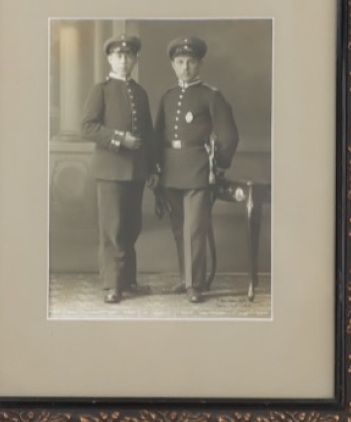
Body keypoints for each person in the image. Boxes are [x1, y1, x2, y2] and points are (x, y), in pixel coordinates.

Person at [154, 36, 239, 303]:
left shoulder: (211, 95)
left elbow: (229, 136)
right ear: (172, 65)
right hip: (170, 169)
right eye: (180, 62)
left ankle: (195, 284)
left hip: (198, 170)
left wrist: (219, 166)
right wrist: (156, 168)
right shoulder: (167, 97)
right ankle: (185, 278)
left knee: (194, 229)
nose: (185, 67)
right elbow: (158, 136)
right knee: (179, 228)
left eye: (191, 62)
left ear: (200, 64)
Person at [80, 34, 156, 304]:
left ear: (135, 59)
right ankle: (113, 285)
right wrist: (120, 138)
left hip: (135, 171)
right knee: (112, 230)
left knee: (131, 228)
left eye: (129, 56)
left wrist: (151, 168)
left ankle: (129, 280)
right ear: (110, 59)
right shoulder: (100, 90)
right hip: (110, 170)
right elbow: (87, 127)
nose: (124, 60)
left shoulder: (140, 93)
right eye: (119, 56)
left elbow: (148, 133)